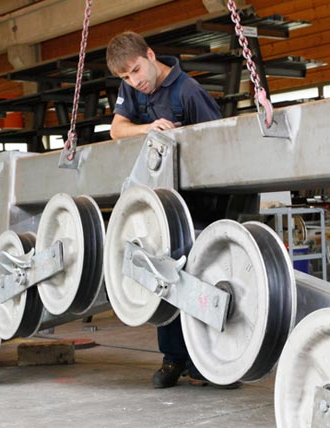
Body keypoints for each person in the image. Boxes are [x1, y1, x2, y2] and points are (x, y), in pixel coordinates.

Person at [106, 31, 237, 389]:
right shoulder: (134, 90)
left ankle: (206, 362)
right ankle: (173, 359)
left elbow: (218, 147)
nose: (135, 82)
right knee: (161, 276)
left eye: (136, 70)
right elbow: (116, 129)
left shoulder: (189, 92)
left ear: (151, 55)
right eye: (126, 78)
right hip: (161, 207)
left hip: (197, 206)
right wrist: (150, 128)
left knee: (196, 277)